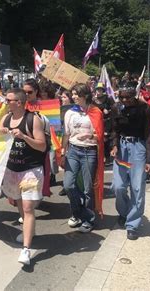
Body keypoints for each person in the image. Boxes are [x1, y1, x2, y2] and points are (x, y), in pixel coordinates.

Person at [0, 88, 46, 265]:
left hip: (30, 170)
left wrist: (24, 137)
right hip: (12, 169)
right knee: (19, 202)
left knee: (27, 207)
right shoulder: (6, 118)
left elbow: (41, 146)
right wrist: (0, 133)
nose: (5, 102)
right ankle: (29, 229)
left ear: (18, 102)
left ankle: (26, 250)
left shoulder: (33, 120)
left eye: (8, 100)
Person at [111, 81, 150, 240]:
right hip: (121, 148)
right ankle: (124, 212)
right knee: (119, 186)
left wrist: (149, 160)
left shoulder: (145, 109)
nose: (124, 100)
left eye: (127, 97)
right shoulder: (117, 108)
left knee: (137, 187)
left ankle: (133, 224)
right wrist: (114, 145)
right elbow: (114, 130)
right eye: (121, 97)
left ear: (134, 95)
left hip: (138, 148)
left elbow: (149, 134)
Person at [61, 83, 104, 233]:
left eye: (76, 94)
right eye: (72, 94)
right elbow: (66, 133)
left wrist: (90, 135)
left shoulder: (96, 112)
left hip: (89, 152)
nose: (73, 97)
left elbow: (101, 135)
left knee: (87, 188)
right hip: (73, 150)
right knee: (68, 185)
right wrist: (62, 151)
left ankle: (89, 219)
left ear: (85, 96)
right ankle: (78, 212)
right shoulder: (69, 112)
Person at [92, 82, 116, 165]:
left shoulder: (108, 99)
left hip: (107, 122)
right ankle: (99, 157)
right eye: (97, 90)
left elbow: (115, 108)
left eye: (100, 90)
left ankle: (107, 157)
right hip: (97, 122)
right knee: (97, 139)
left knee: (106, 140)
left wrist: (108, 111)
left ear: (103, 91)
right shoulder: (93, 100)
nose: (98, 91)